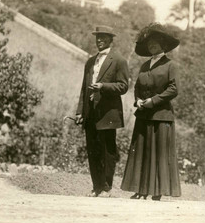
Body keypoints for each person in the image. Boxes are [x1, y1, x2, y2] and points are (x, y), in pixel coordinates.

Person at [120, 23, 181, 201]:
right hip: (144, 114)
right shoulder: (144, 66)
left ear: (163, 45)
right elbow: (137, 87)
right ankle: (141, 190)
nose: (152, 46)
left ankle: (157, 192)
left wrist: (153, 101)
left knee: (159, 153)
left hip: (161, 116)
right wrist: (138, 100)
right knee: (142, 152)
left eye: (155, 43)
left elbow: (173, 89)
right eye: (150, 44)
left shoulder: (170, 65)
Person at [76, 25, 129, 198]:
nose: (99, 40)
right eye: (97, 37)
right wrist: (79, 112)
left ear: (110, 40)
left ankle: (106, 187)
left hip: (108, 113)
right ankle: (96, 186)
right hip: (90, 111)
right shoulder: (90, 61)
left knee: (107, 150)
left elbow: (123, 86)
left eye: (103, 37)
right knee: (93, 150)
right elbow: (84, 88)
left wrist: (103, 87)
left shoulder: (119, 60)